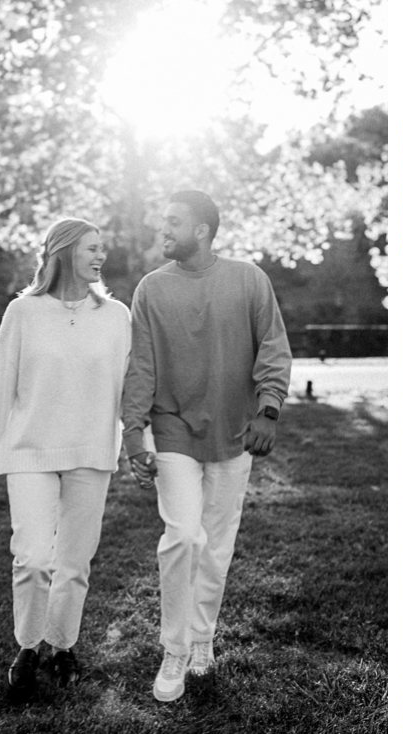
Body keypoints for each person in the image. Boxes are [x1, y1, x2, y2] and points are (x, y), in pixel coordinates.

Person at [122, 190, 292, 702]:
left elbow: (273, 346)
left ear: (202, 229)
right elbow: (141, 365)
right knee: (183, 537)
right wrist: (133, 432)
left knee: (216, 547)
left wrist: (268, 409)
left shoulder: (248, 279)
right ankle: (174, 648)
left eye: (173, 222)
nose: (163, 231)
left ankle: (202, 640)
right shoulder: (150, 290)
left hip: (236, 432)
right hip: (172, 429)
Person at [0, 218, 131, 695]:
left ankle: (62, 645)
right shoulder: (24, 312)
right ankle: (28, 644)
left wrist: (144, 443)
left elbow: (129, 388)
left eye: (102, 249)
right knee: (34, 558)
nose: (100, 257)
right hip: (29, 450)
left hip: (92, 451)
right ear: (62, 253)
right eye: (90, 249)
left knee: (74, 562)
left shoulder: (116, 315)